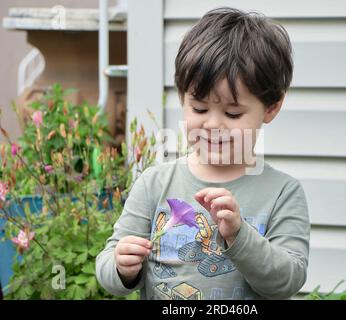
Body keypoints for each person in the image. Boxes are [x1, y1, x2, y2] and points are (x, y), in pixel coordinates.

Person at [96, 7, 310, 300]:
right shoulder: (154, 183)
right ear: (183, 97)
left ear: (271, 107)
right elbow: (108, 265)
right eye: (199, 108)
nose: (212, 124)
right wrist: (122, 267)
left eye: (233, 113)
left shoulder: (282, 192)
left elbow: (289, 279)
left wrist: (238, 234)